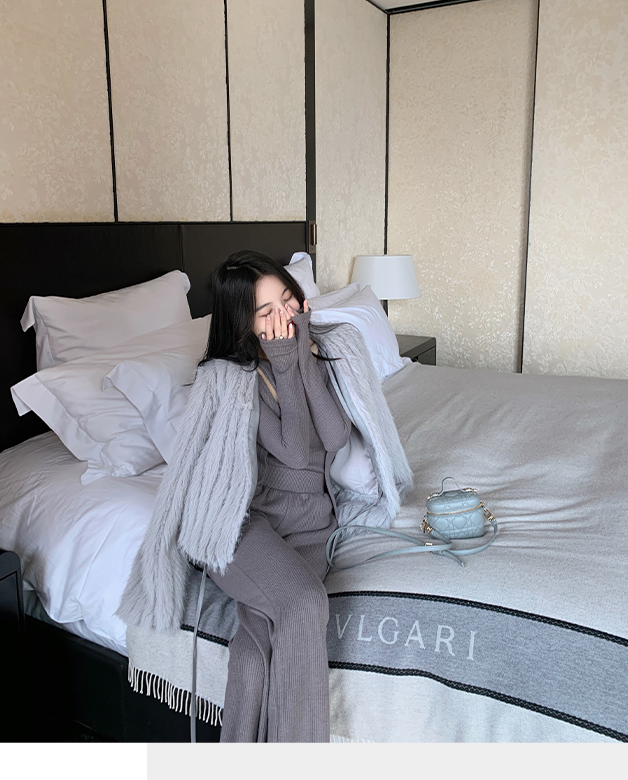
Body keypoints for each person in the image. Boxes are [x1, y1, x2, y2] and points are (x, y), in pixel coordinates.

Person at [117, 250, 413, 742]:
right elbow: (295, 452)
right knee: (304, 603)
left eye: (288, 298)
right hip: (241, 527)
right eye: (266, 311)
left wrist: (302, 360)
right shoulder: (236, 380)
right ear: (245, 324)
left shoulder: (321, 351)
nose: (284, 314)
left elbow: (335, 435)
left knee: (258, 645)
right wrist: (286, 364)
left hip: (312, 526)